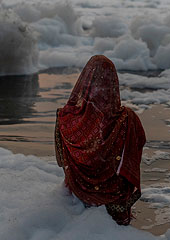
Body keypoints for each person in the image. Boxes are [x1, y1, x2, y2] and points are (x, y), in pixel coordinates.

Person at [54, 55, 146, 225]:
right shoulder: (128, 119)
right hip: (114, 201)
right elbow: (138, 146)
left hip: (77, 200)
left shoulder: (67, 119)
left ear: (86, 81)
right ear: (113, 83)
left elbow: (61, 162)